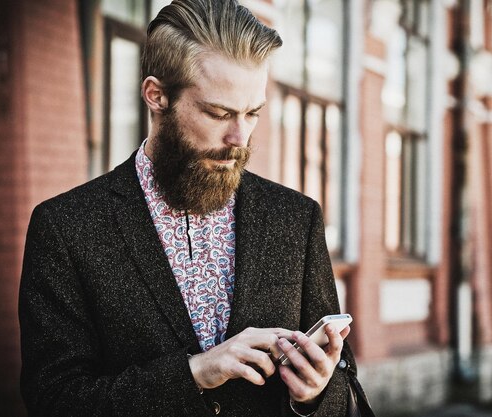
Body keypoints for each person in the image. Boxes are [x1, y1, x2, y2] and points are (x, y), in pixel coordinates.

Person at [18, 1, 356, 416]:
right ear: (156, 95)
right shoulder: (67, 227)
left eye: (253, 113)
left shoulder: (296, 219)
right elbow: (52, 401)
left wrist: (316, 394)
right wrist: (194, 373)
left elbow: (347, 388)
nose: (240, 137)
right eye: (219, 113)